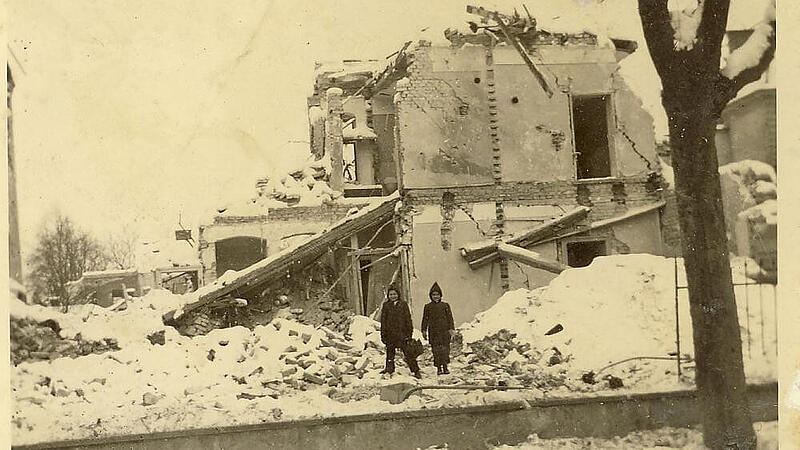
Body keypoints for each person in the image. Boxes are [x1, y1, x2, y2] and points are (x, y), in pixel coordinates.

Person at [380, 285, 422, 379]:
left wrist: (409, 334)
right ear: (388, 295)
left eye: (394, 294)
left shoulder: (403, 304)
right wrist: (383, 335)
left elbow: (408, 319)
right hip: (390, 334)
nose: (393, 296)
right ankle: (389, 369)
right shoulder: (386, 305)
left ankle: (415, 370)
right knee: (390, 353)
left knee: (408, 353)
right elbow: (383, 321)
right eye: (391, 294)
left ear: (398, 294)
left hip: (402, 334)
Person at [421, 282, 455, 375]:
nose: (435, 296)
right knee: (436, 351)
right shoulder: (428, 307)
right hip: (434, 332)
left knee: (445, 350)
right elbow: (425, 319)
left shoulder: (445, 306)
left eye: (437, 295)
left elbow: (450, 318)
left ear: (440, 295)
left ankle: (445, 367)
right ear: (430, 296)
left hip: (444, 332)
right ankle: (439, 368)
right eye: (433, 295)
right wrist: (423, 330)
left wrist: (451, 329)